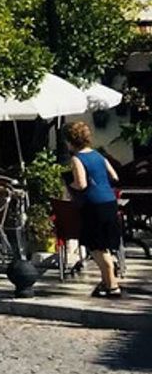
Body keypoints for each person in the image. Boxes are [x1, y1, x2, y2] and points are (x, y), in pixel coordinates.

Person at [64, 121, 124, 297]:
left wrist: (70, 184)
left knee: (96, 247)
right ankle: (106, 283)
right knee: (105, 246)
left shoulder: (77, 159)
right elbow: (114, 176)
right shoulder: (98, 155)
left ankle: (112, 285)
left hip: (93, 205)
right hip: (109, 202)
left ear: (70, 141)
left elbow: (81, 184)